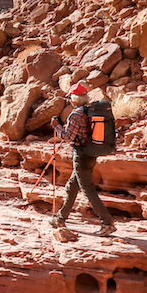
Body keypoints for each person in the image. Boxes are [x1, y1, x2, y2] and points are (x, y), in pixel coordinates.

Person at [50, 83, 116, 236]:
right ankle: (60, 218)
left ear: (74, 99)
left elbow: (68, 137)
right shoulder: (89, 111)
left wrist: (56, 126)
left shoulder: (76, 115)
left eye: (70, 98)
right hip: (90, 153)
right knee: (72, 186)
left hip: (81, 155)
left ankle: (107, 223)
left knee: (87, 189)